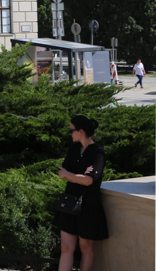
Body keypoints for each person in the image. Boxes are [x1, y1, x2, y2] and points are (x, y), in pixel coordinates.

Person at [56, 115, 108, 271]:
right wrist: (75, 176)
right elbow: (62, 173)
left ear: (81, 131)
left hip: (88, 205)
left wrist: (70, 176)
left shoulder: (98, 153)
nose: (70, 133)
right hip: (70, 201)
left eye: (72, 130)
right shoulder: (73, 149)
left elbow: (88, 181)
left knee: (85, 248)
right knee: (66, 247)